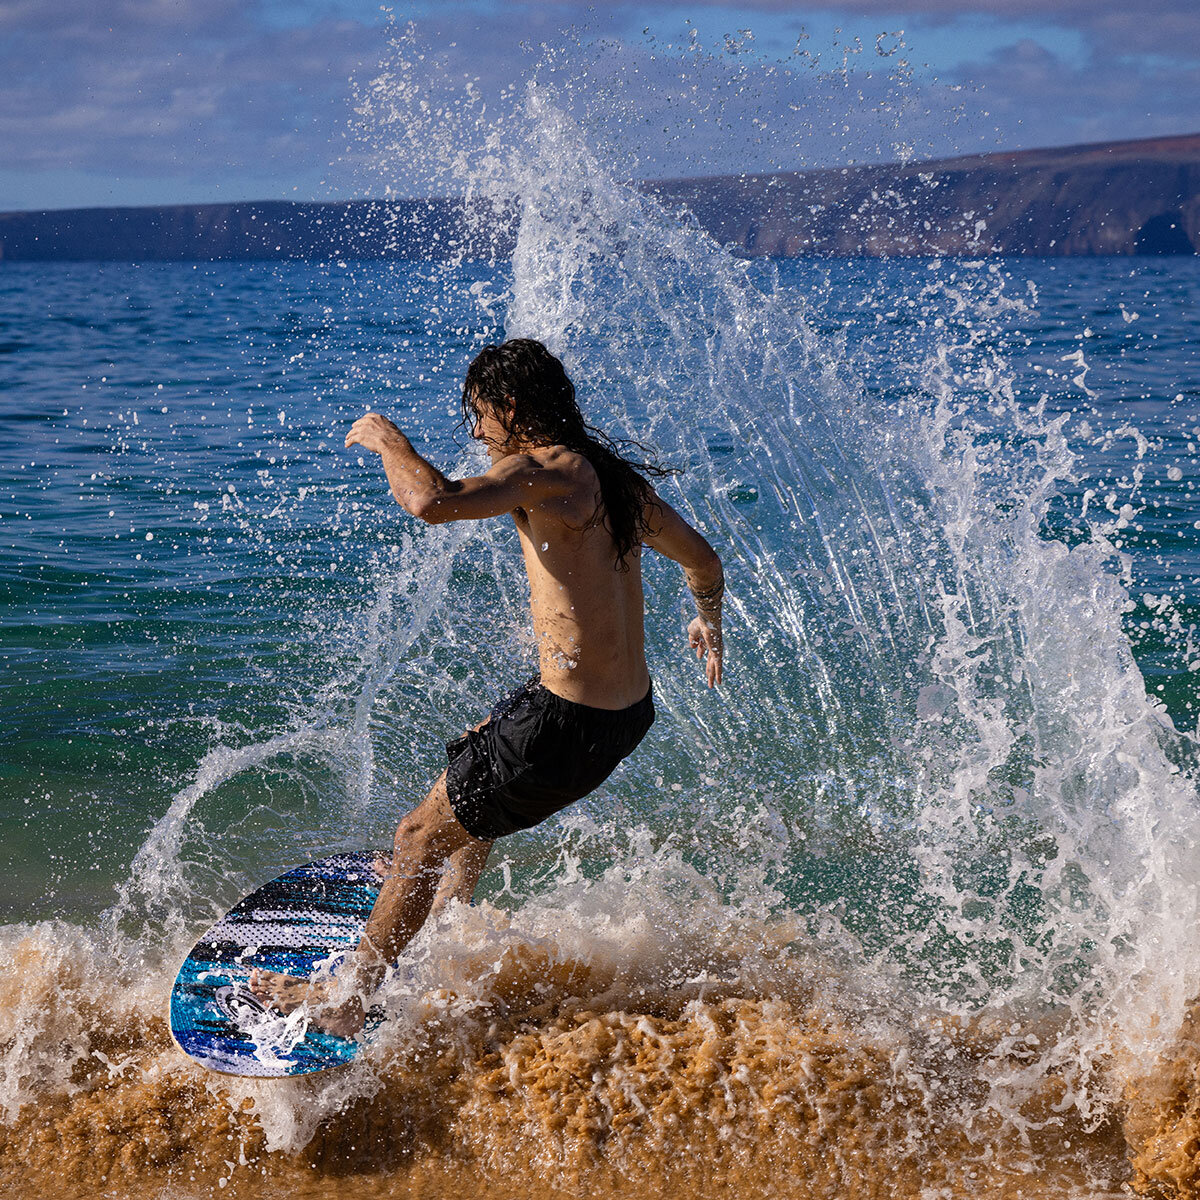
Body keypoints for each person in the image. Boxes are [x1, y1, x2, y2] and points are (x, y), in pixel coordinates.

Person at [250, 338, 724, 1034]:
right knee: (477, 746)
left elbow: (432, 501)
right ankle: (448, 911)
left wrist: (388, 440)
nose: (476, 433)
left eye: (480, 415)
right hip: (625, 715)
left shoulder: (548, 472)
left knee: (413, 838)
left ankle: (347, 1000)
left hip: (567, 726)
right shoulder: (618, 484)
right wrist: (707, 619)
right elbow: (704, 561)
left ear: (510, 407)